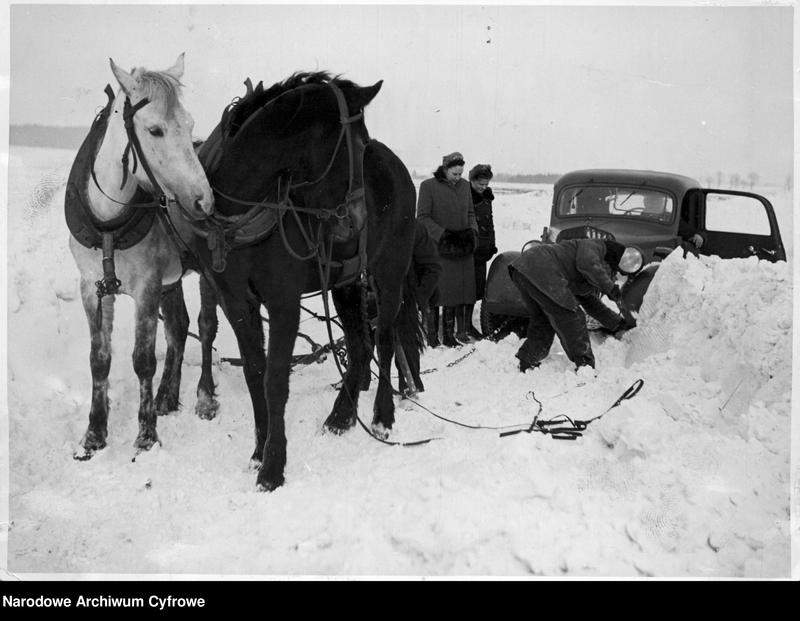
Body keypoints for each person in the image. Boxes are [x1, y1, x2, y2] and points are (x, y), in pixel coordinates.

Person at [508, 238, 632, 372]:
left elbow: (591, 303)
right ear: (609, 260)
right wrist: (610, 288)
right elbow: (587, 264)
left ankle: (527, 361)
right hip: (541, 266)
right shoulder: (595, 246)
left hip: (523, 269)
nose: (612, 276)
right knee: (572, 316)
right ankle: (585, 366)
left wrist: (618, 324)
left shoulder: (581, 275)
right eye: (613, 272)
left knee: (543, 319)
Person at [363, 220, 441, 396]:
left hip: (405, 294)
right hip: (372, 291)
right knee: (364, 337)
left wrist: (416, 297)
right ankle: (360, 380)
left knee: (405, 340)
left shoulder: (414, 228)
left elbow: (432, 267)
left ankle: (409, 383)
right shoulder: (367, 225)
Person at [417, 152, 478, 347]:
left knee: (457, 291)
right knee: (438, 292)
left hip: (462, 246)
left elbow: (470, 212)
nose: (458, 178)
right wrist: (442, 235)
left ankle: (450, 335)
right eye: (454, 174)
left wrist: (473, 232)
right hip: (439, 248)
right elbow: (423, 217)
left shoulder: (466, 186)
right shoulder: (428, 187)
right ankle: (432, 336)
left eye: (460, 174)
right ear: (444, 169)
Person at [467, 164, 497, 340]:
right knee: (466, 290)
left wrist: (492, 243)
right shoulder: (465, 197)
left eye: (486, 184)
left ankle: (468, 323)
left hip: (482, 248)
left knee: (478, 288)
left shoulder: (487, 197)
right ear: (472, 180)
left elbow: (489, 223)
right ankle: (465, 325)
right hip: (470, 247)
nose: (483, 188)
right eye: (480, 184)